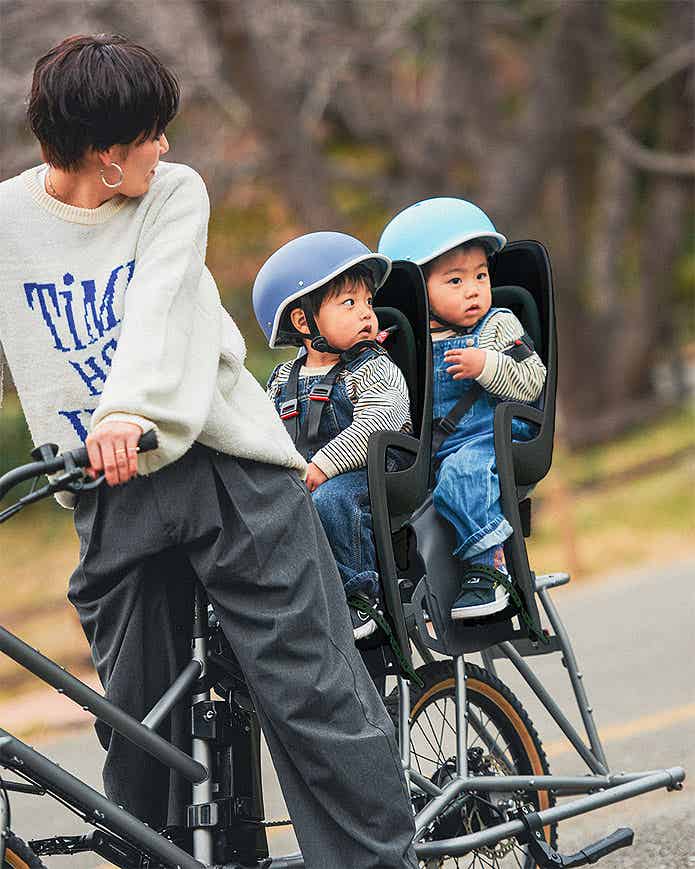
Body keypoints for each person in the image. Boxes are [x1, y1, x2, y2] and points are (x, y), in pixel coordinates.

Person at [0, 34, 418, 868]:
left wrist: (126, 410)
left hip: (226, 471)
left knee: (310, 694)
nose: (166, 145)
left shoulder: (173, 193)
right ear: (105, 156)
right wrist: (97, 438)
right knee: (137, 725)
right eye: (152, 133)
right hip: (105, 487)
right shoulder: (9, 221)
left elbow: (159, 306)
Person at [378, 197, 546, 620]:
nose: (474, 289)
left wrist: (487, 365)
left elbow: (532, 381)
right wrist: (378, 350)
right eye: (455, 281)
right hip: (432, 446)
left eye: (481, 275)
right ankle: (379, 586)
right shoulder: (411, 339)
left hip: (490, 434)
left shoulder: (498, 324)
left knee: (461, 476)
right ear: (418, 293)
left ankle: (488, 571)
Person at [253, 232, 412, 640]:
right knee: (256, 518)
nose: (366, 314)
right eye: (349, 303)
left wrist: (324, 464)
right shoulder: (281, 381)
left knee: (333, 500)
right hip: (305, 478)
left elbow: (381, 421)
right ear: (304, 322)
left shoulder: (371, 367)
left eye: (368, 303)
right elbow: (263, 432)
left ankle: (360, 599)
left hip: (373, 473)